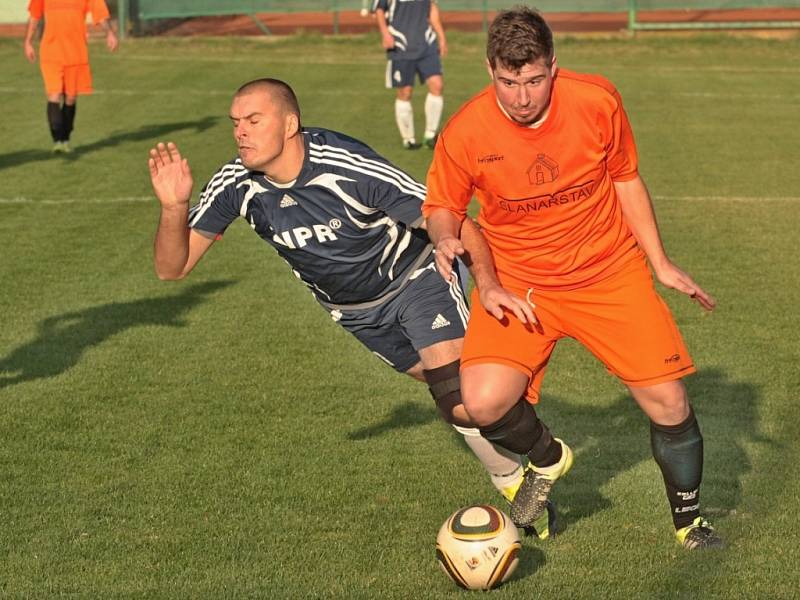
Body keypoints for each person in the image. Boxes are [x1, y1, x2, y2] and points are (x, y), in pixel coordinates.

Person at [147, 78, 559, 537]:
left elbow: (444, 215)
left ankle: (542, 464)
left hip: (416, 278)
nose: (240, 132)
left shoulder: (346, 165)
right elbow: (172, 268)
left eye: (253, 120)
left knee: (458, 399)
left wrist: (486, 280)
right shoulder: (235, 183)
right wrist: (174, 207)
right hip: (355, 313)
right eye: (236, 123)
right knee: (456, 397)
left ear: (289, 124)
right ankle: (514, 441)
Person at [423, 7, 724, 549]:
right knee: (482, 403)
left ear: (553, 68)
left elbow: (626, 179)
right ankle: (548, 458)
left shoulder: (596, 101)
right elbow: (443, 206)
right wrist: (446, 237)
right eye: (508, 82)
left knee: (670, 403)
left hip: (608, 272)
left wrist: (659, 262)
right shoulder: (466, 130)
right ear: (490, 68)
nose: (521, 97)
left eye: (534, 80)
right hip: (521, 285)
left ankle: (690, 522)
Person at [24, 0, 118, 154]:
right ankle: (57, 140)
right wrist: (28, 41)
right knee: (53, 94)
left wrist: (109, 33)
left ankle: (65, 139)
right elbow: (35, 15)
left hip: (76, 54)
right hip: (51, 52)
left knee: (70, 97)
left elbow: (100, 13)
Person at [370, 0, 447, 150]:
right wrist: (385, 34)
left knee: (437, 85)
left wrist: (441, 36)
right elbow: (379, 10)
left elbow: (431, 9)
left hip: (426, 44)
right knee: (405, 92)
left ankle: (430, 136)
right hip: (400, 45)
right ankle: (408, 138)